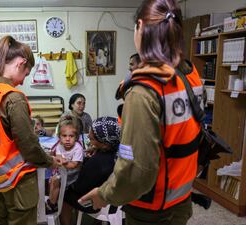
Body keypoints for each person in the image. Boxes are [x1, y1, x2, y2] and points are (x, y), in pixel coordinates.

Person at [79, 1, 203, 225]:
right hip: (180, 200)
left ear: (139, 26)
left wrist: (104, 195)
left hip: (151, 210)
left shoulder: (143, 91)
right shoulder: (189, 75)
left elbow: (138, 171)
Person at [0, 35, 59, 225]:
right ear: (21, 63)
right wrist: (50, 160)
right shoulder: (12, 98)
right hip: (18, 182)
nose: (22, 82)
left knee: (2, 220)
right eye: (26, 74)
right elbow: (29, 146)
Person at [60, 116, 120, 225]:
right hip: (114, 201)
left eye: (92, 138)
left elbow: (79, 187)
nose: (88, 135)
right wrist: (96, 149)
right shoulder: (118, 152)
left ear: (103, 143)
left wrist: (85, 161)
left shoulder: (98, 162)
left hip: (95, 203)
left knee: (62, 194)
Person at [46, 115, 83, 214]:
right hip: (62, 172)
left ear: (76, 137)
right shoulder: (60, 145)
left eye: (71, 136)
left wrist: (64, 162)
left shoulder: (78, 148)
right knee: (51, 181)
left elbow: (74, 165)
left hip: (73, 176)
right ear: (59, 136)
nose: (67, 139)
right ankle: (53, 200)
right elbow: (58, 155)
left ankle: (52, 204)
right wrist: (59, 159)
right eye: (64, 136)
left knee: (55, 181)